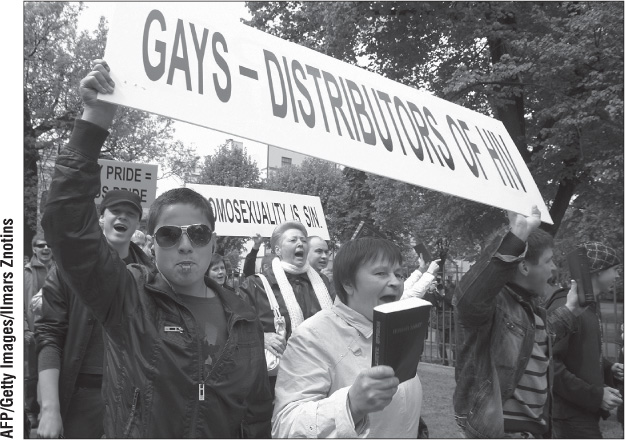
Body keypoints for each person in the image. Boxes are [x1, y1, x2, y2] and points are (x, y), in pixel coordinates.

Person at [40, 59, 272, 438]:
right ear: (150, 241)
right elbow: (66, 226)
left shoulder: (244, 318)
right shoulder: (128, 297)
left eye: (197, 234)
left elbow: (257, 411)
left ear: (213, 242)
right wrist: (95, 118)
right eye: (169, 235)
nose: (184, 245)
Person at [453, 206, 585, 438]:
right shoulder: (494, 306)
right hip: (501, 431)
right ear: (524, 266)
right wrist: (515, 239)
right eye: (549, 261)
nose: (554, 269)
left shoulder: (532, 308)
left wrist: (571, 310)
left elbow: (534, 340)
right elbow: (468, 301)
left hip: (536, 431)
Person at [272, 237, 423, 437]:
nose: (395, 282)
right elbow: (285, 426)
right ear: (348, 283)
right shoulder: (312, 336)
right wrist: (350, 405)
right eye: (381, 273)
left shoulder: (393, 330)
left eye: (399, 274)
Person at [35, 190, 153, 438]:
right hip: (81, 398)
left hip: (134, 399)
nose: (122, 217)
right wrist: (49, 408)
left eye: (130, 213)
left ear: (137, 224)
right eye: (116, 212)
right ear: (102, 218)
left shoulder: (152, 277)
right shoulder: (67, 269)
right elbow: (49, 337)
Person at [238, 221, 334, 393]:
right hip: (278, 382)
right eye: (293, 240)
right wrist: (262, 336)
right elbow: (237, 326)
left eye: (304, 240)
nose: (300, 243)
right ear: (277, 250)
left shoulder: (323, 283)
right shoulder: (256, 285)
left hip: (320, 373)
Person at [546, 242, 623, 438]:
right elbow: (549, 363)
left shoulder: (588, 307)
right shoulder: (566, 308)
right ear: (597, 271)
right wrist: (596, 396)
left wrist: (608, 368)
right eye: (614, 269)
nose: (618, 276)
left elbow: (579, 355)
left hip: (581, 415)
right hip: (566, 418)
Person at [24, 234, 55, 428]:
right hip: (33, 332)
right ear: (34, 249)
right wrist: (25, 329)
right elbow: (13, 304)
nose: (45, 248)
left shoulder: (60, 269)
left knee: (52, 372)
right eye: (41, 245)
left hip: (56, 331)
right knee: (32, 375)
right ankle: (31, 411)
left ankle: (49, 411)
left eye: (48, 245)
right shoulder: (24, 273)